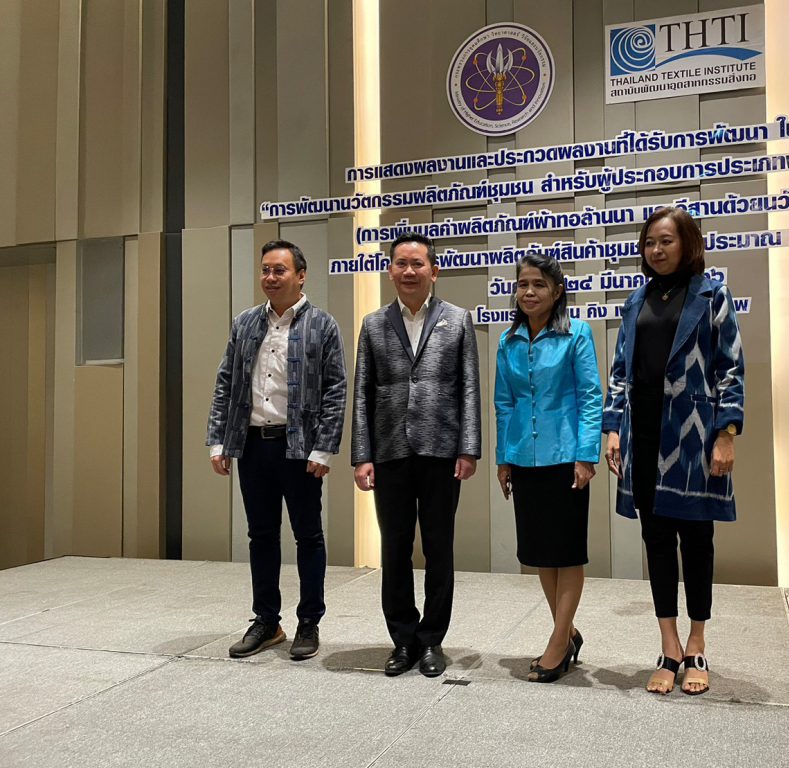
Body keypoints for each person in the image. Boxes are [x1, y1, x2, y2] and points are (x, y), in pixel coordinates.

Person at [603, 208, 744, 696]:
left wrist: (726, 433)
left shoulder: (712, 295)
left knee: (697, 541)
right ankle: (669, 646)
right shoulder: (635, 299)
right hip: (642, 436)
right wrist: (612, 429)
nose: (656, 250)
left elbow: (730, 369)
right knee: (657, 541)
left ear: (687, 243)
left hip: (693, 436)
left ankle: (697, 643)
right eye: (649, 242)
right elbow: (620, 371)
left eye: (665, 240)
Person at [207, 240, 346, 661]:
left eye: (279, 270)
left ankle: (309, 622)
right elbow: (226, 382)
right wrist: (219, 439)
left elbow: (336, 390)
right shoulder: (245, 322)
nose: (270, 277)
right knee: (261, 536)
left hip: (299, 448)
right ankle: (267, 621)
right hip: (252, 445)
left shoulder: (322, 325)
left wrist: (324, 449)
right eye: (265, 270)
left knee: (308, 536)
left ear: (301, 276)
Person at [351, 232, 481, 678]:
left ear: (433, 270)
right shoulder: (372, 324)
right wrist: (361, 455)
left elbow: (469, 387)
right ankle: (403, 640)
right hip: (389, 451)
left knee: (439, 547)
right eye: (401, 264)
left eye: (417, 264)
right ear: (390, 271)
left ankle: (432, 640)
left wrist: (468, 447)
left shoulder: (458, 320)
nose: (409, 271)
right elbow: (362, 394)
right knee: (395, 548)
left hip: (442, 451)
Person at [494, 253, 603, 683]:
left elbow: (591, 397)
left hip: (566, 457)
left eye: (538, 284)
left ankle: (557, 643)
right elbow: (504, 403)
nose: (529, 292)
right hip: (524, 458)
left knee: (567, 551)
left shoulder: (577, 334)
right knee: (541, 552)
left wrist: (586, 455)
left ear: (557, 291)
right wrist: (503, 457)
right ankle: (567, 631)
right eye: (523, 284)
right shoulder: (508, 341)